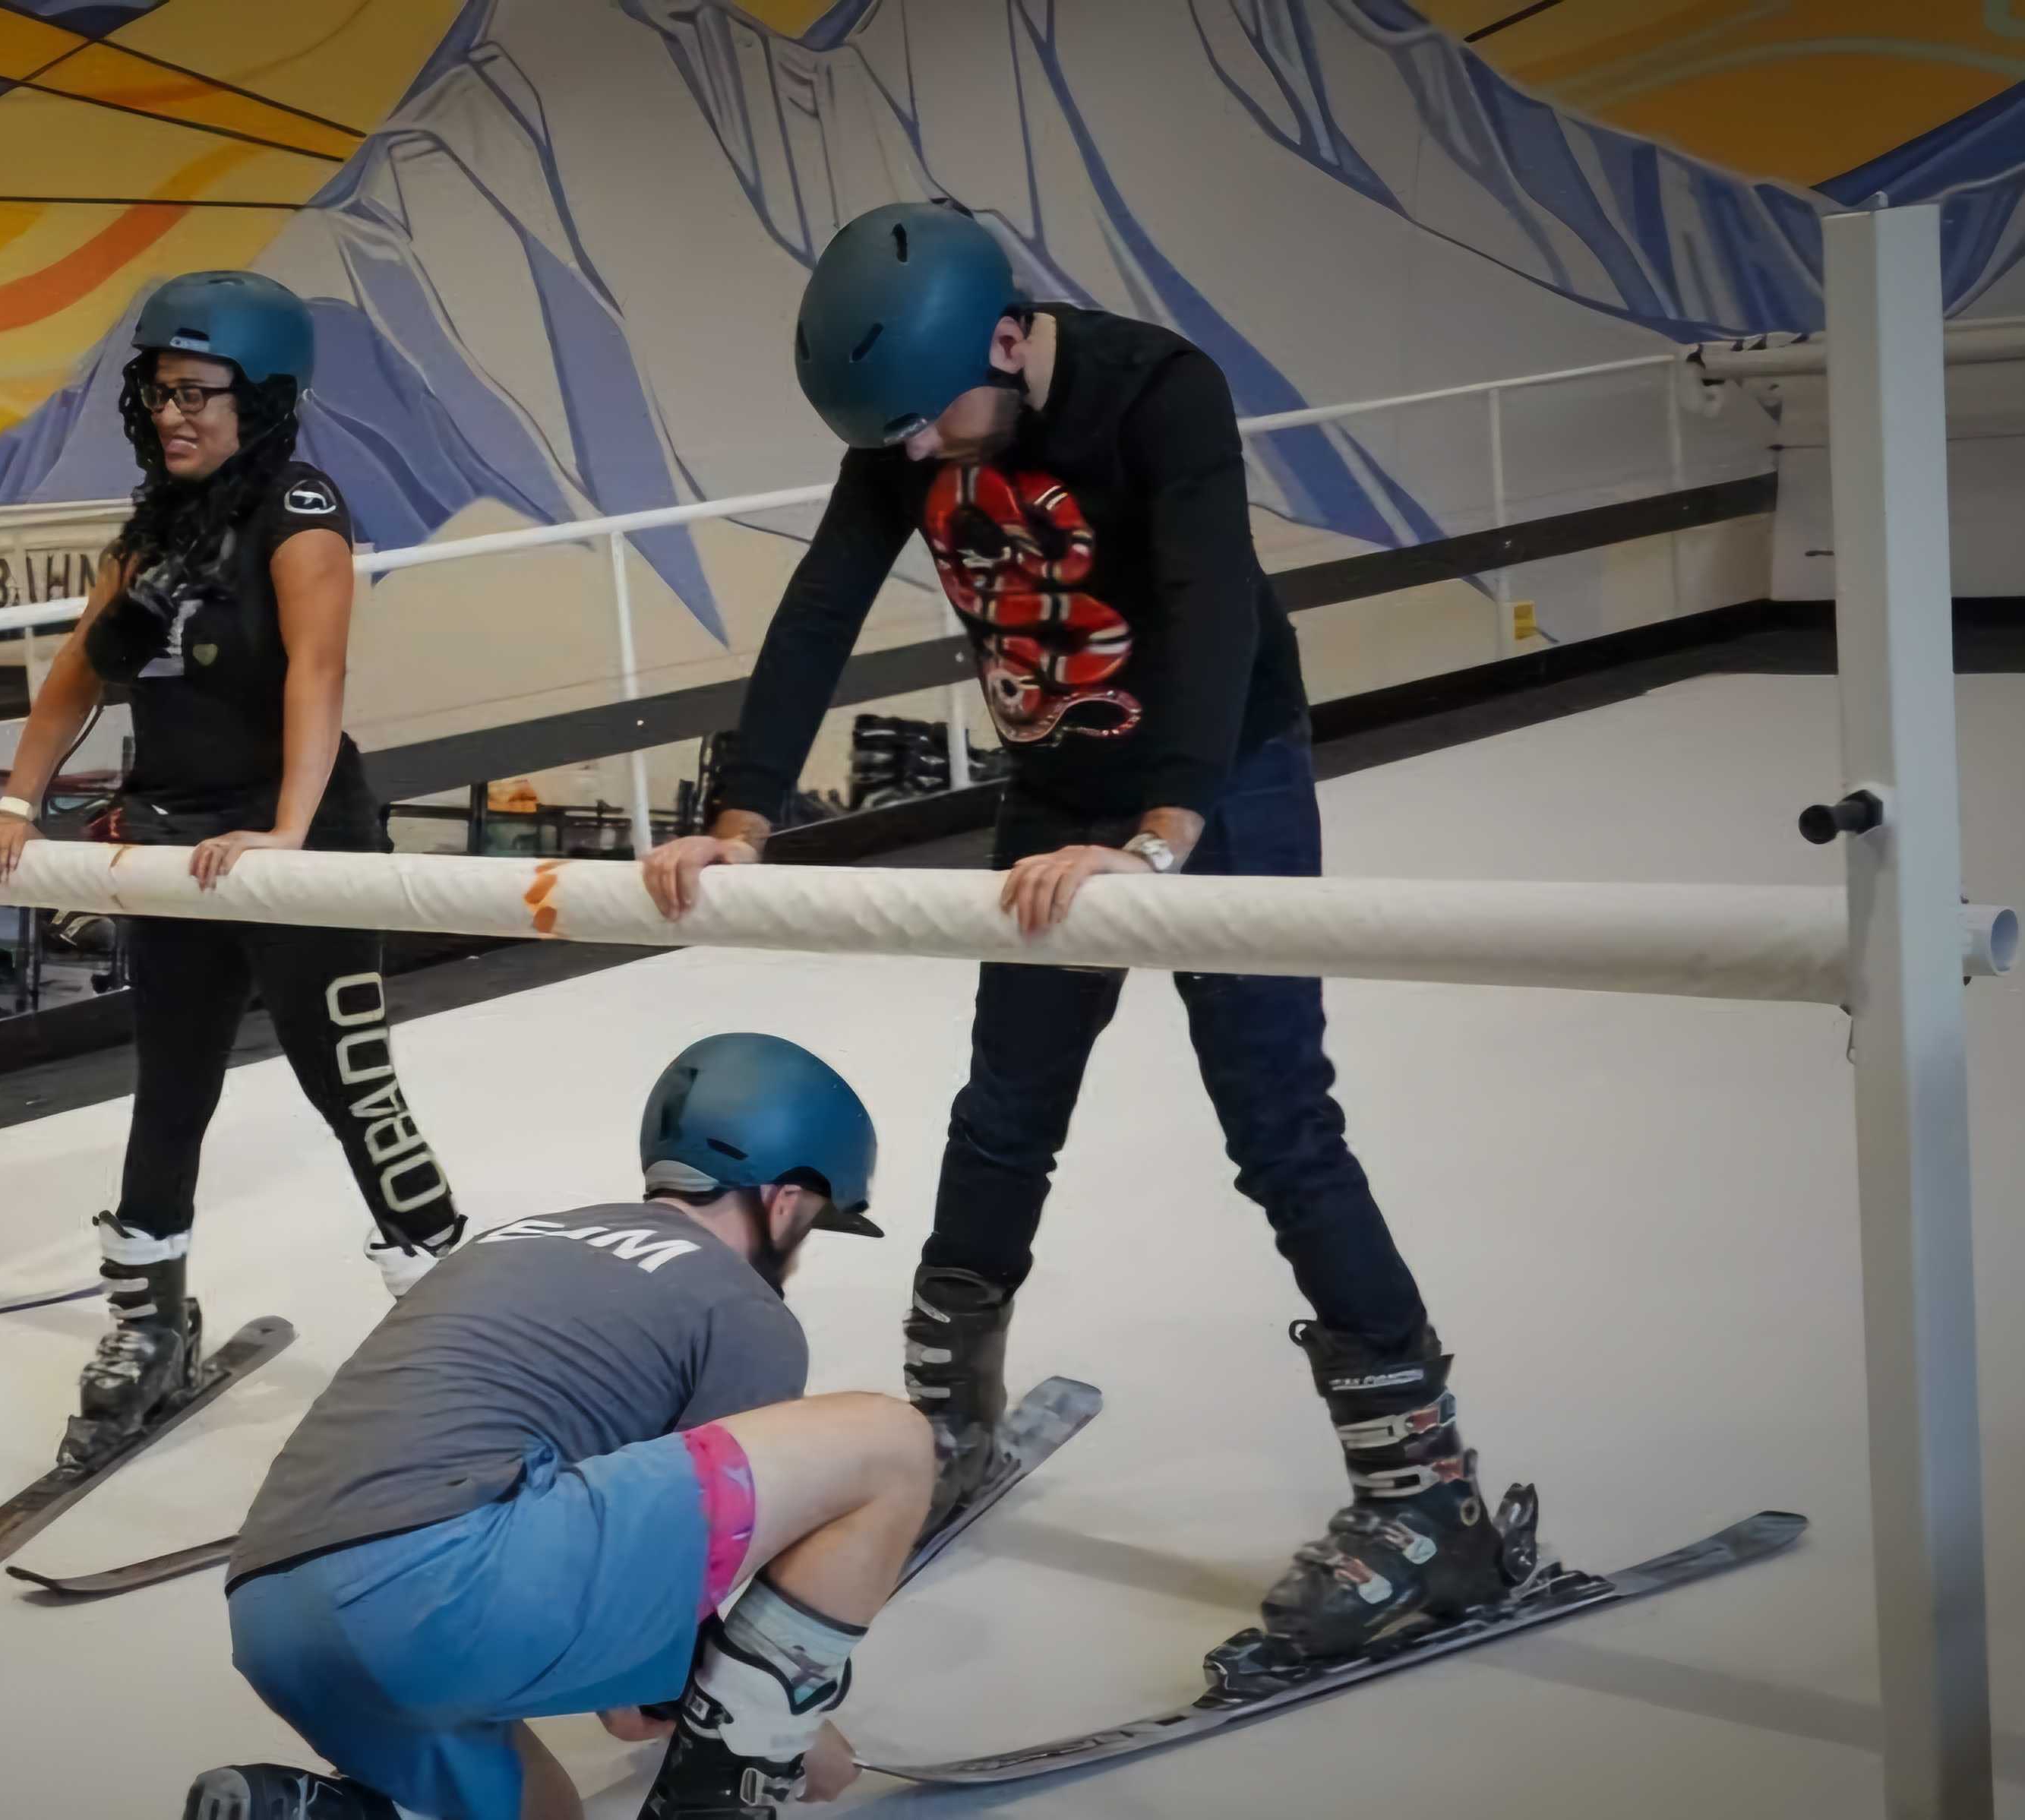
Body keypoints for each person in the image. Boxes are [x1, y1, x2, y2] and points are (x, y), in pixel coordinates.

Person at [641, 201, 1515, 1664]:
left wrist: (1164, 828)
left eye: (931, 425)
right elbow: (819, 609)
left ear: (1004, 334)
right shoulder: (912, 421)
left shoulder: (1157, 392)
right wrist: (740, 810)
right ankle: (942, 1420)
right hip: (1059, 781)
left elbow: (1210, 597)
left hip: (1217, 774)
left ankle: (1427, 1499)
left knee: (1277, 1123)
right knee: (1003, 1109)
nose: (917, 459)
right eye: (894, 440)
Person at [186, 1033, 933, 1820]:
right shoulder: (740, 1308)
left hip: (272, 1613)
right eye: (812, 1220)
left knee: (546, 1810)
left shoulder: (519, 1242)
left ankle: (321, 1812)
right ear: (784, 1199)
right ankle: (716, 1805)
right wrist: (788, 1728)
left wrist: (647, 1687)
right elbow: (715, 1574)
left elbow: (639, 1632)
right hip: (440, 1585)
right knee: (891, 1443)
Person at [0, 271, 462, 1467]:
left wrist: (290, 837)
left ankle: (454, 1321)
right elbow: (84, 673)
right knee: (172, 1085)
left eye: (200, 393)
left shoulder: (300, 514)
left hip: (298, 840)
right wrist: (16, 801)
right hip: (172, 844)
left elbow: (316, 678)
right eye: (158, 391)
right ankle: (148, 1322)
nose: (174, 413)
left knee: (349, 1082)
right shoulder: (155, 530)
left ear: (267, 402)